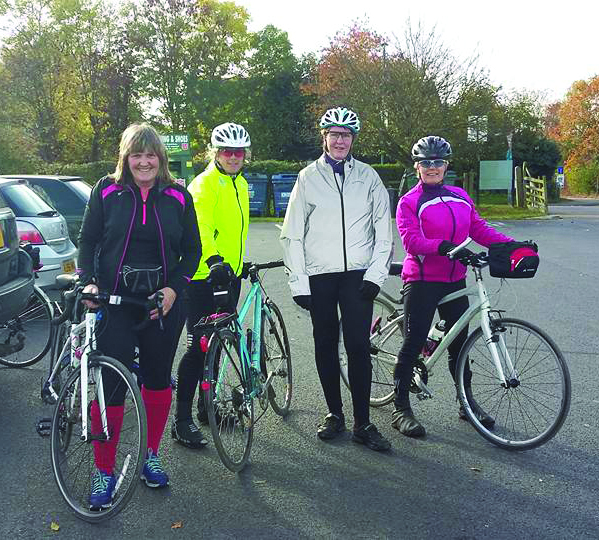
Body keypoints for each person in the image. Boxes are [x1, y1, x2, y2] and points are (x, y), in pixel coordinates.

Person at [78, 123, 201, 506]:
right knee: (112, 387)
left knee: (158, 382)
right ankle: (104, 470)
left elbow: (192, 251)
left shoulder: (178, 196)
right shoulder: (106, 191)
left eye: (151, 155)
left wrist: (174, 288)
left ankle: (150, 455)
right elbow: (88, 240)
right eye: (137, 155)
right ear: (126, 158)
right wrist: (89, 281)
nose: (144, 162)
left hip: (161, 305)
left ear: (161, 159)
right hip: (115, 304)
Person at [280, 106, 393, 452]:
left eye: (346, 135)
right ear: (324, 138)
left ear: (353, 139)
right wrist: (299, 284)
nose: (340, 140)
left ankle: (363, 422)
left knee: (358, 346)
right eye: (334, 134)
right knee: (325, 345)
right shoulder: (308, 177)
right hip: (320, 276)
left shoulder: (369, 177)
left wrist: (376, 275)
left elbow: (383, 231)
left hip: (358, 275)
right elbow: (292, 234)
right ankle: (334, 414)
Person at [391, 135, 515, 437]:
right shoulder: (409, 201)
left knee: (459, 345)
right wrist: (443, 246)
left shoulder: (460, 195)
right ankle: (401, 407)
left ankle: (466, 402)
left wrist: (513, 245)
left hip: (454, 279)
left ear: (446, 165)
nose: (432, 167)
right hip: (422, 280)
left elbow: (479, 228)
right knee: (413, 342)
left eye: (438, 162)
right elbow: (411, 241)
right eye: (426, 162)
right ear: (417, 167)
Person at [171, 122, 251, 449]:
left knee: (218, 346)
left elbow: (234, 230)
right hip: (203, 279)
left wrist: (237, 261)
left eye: (239, 152)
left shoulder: (241, 183)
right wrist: (215, 259)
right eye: (227, 151)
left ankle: (207, 410)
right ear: (215, 153)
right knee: (198, 349)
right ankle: (181, 421)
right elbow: (201, 228)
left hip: (226, 277)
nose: (234, 157)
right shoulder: (204, 185)